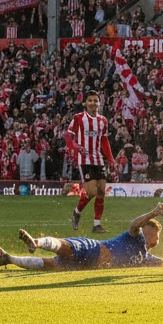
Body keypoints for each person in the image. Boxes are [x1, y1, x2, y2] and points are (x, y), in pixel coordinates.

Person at [0, 202, 163, 271]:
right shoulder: (135, 237)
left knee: (50, 265)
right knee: (65, 247)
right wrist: (153, 213)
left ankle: (8, 258)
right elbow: (134, 224)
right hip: (93, 249)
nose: (155, 238)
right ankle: (35, 242)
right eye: (153, 233)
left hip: (88, 265)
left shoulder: (146, 258)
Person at [66, 90, 116, 233]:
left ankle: (97, 224)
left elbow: (104, 141)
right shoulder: (78, 118)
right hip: (84, 159)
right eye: (90, 100)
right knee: (92, 191)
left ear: (99, 103)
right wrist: (75, 146)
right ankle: (77, 211)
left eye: (96, 100)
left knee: (101, 192)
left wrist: (111, 159)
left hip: (98, 159)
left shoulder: (103, 121)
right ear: (85, 103)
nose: (93, 103)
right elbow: (68, 136)